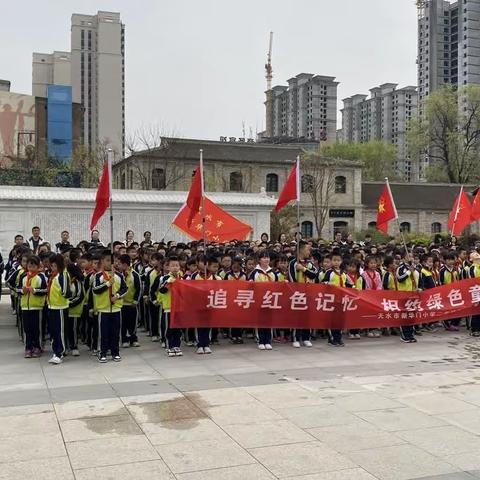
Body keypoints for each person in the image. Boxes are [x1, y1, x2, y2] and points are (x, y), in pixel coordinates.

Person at [92, 250, 128, 363]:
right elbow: (95, 290)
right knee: (103, 333)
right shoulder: (98, 276)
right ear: (102, 261)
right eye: (107, 260)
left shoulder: (118, 275)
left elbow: (125, 289)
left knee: (115, 332)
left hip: (116, 308)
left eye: (113, 261)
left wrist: (117, 296)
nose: (110, 263)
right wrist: (107, 284)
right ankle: (102, 352)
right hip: (103, 309)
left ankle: (115, 352)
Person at [16, 255, 47, 358]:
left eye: (34, 266)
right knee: (27, 328)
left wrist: (35, 290)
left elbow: (45, 290)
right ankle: (28, 347)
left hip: (37, 307)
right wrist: (22, 290)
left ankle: (37, 347)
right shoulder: (24, 276)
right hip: (25, 306)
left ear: (38, 266)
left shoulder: (41, 277)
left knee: (36, 328)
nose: (31, 268)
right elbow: (18, 288)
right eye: (29, 266)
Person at [152, 255, 183, 357]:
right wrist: (169, 282)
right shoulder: (164, 278)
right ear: (168, 267)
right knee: (169, 328)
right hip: (168, 307)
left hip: (179, 308)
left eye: (177, 265)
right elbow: (161, 290)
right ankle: (169, 346)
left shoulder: (181, 278)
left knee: (177, 328)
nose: (175, 267)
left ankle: (177, 346)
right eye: (172, 265)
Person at [288, 241, 317, 348]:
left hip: (309, 293)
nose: (309, 251)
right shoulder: (293, 263)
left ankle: (306, 337)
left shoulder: (309, 264)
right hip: (297, 295)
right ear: (300, 250)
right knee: (297, 317)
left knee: (307, 317)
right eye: (307, 249)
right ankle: (295, 337)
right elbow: (292, 279)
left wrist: (303, 269)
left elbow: (314, 274)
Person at [47, 254, 71, 364]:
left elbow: (66, 292)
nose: (52, 268)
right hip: (52, 306)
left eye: (54, 266)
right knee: (53, 331)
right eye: (51, 266)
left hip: (60, 307)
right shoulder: (53, 275)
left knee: (60, 331)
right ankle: (55, 350)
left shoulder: (63, 275)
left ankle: (60, 352)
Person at [250, 250, 276, 351]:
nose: (266, 259)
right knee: (260, 321)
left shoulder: (272, 272)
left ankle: (268, 340)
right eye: (264, 257)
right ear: (259, 260)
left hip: (269, 300)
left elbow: (277, 286)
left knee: (268, 321)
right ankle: (261, 340)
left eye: (267, 257)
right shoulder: (255, 272)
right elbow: (250, 285)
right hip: (259, 301)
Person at [322, 252, 349, 346]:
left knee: (340, 320)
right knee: (332, 320)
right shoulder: (329, 272)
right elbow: (324, 282)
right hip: (332, 299)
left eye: (338, 260)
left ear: (341, 261)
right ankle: (332, 338)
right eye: (334, 260)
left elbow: (349, 284)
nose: (336, 262)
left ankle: (339, 338)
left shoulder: (344, 273)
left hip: (342, 300)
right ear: (331, 262)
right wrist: (328, 284)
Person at [118, 254, 142, 348]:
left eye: (119, 264)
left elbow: (139, 288)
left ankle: (133, 339)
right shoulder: (118, 275)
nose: (117, 265)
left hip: (132, 304)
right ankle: (124, 339)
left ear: (125, 264)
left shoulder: (135, 275)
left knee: (132, 323)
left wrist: (136, 300)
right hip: (121, 304)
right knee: (122, 323)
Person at [66, 263, 85, 357]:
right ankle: (65, 346)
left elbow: (80, 296)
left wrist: (68, 303)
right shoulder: (64, 281)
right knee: (65, 329)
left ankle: (74, 346)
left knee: (73, 329)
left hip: (74, 310)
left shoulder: (77, 282)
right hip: (64, 310)